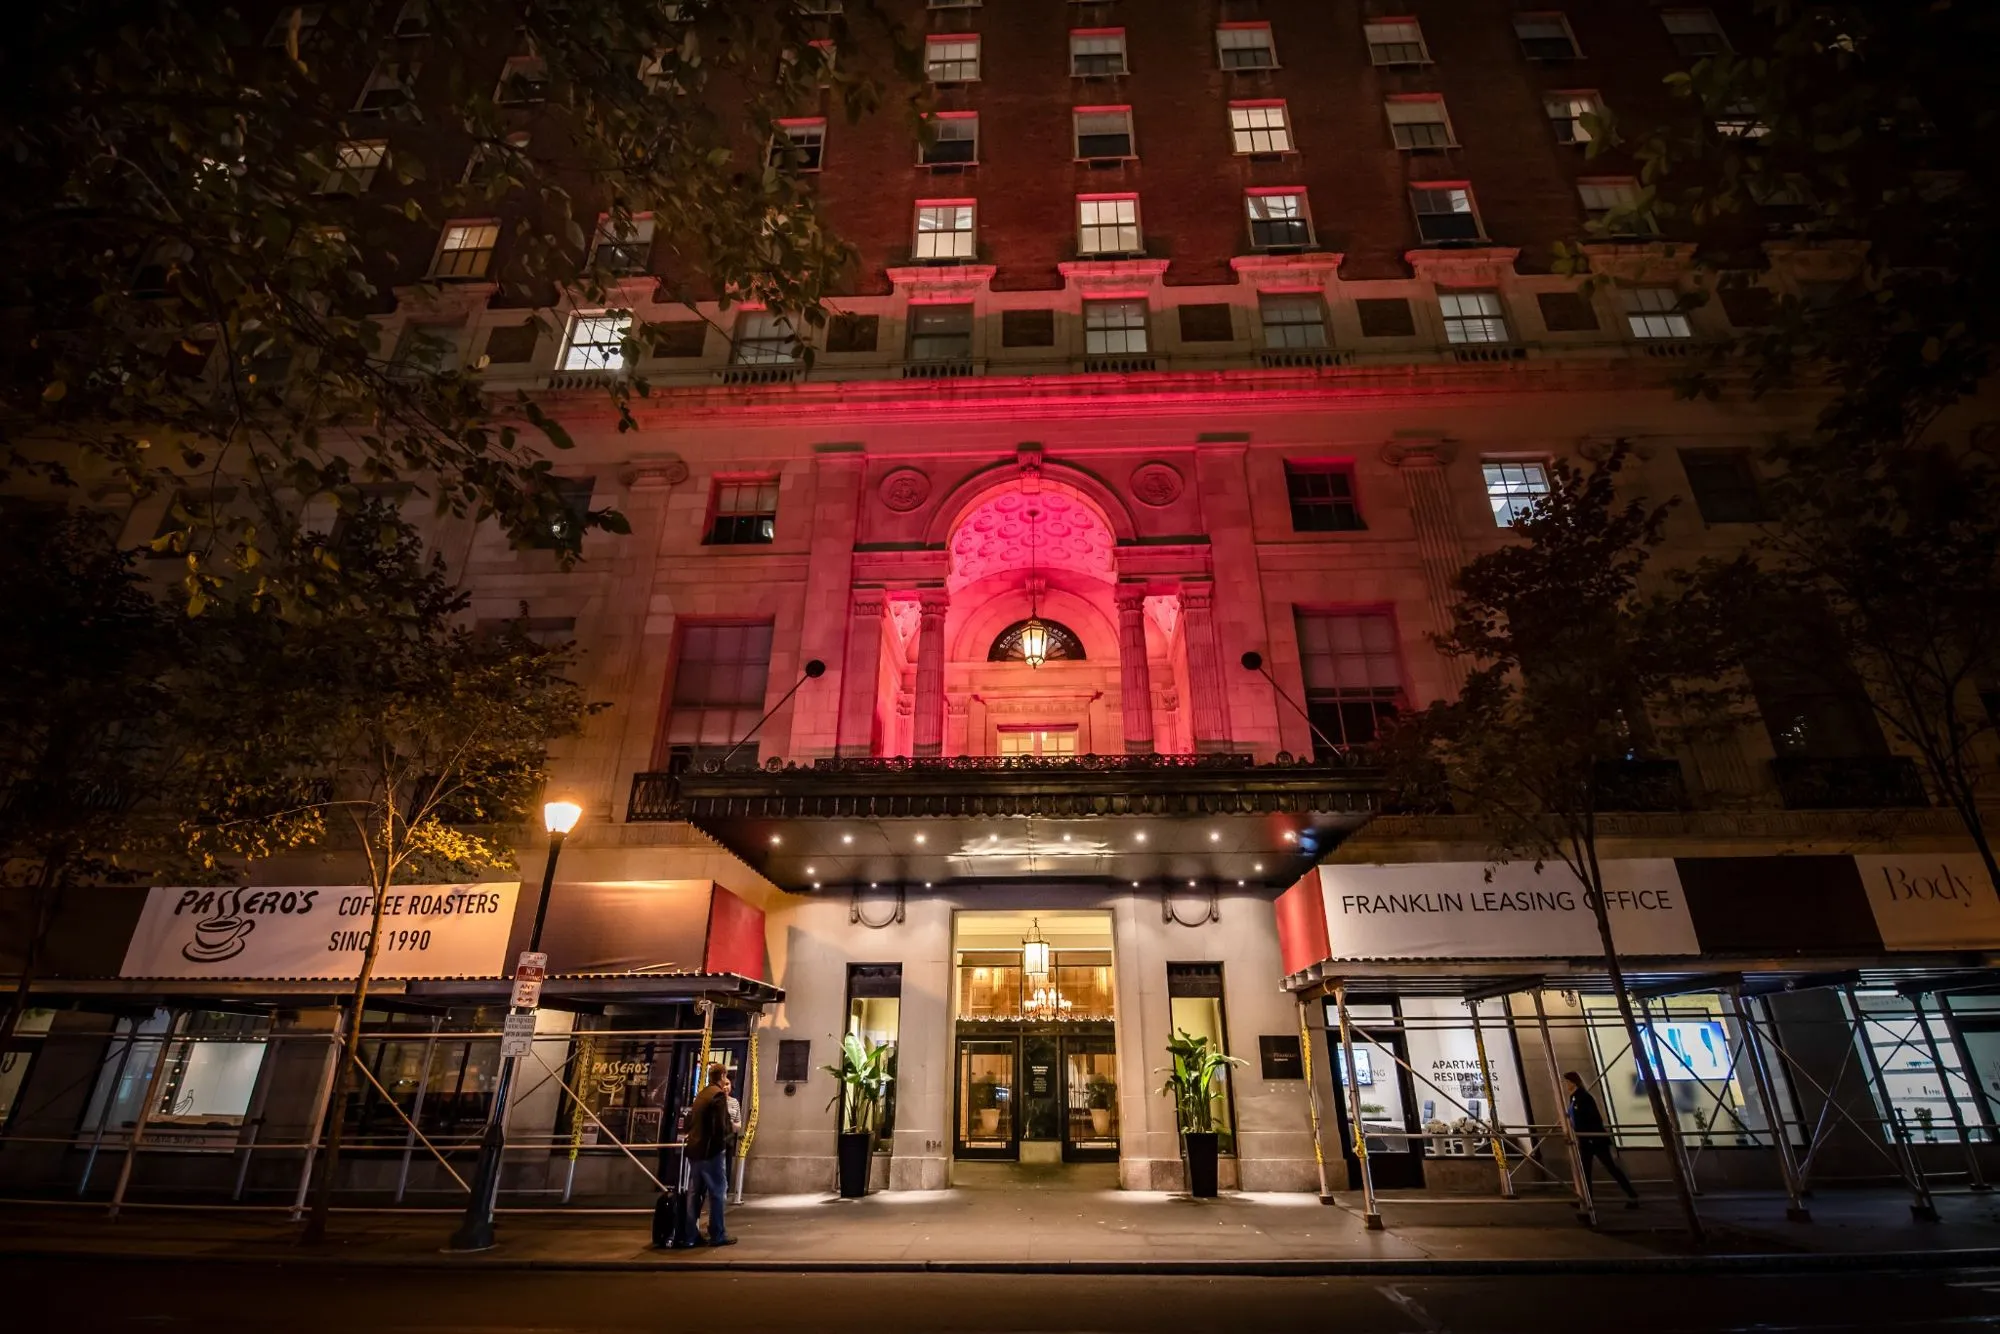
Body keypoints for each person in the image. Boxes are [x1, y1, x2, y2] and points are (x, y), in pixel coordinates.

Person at [1564, 1071, 1639, 1207]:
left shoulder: (1584, 1097)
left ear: (1573, 1082)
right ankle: (1586, 1199)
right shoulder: (1574, 1098)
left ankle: (1632, 1195)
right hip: (1585, 1139)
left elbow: (1594, 1118)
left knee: (1610, 1167)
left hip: (1594, 1140)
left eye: (1567, 1082)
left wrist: (1591, 1136)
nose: (1566, 1085)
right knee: (1585, 1171)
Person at [682, 1063, 737, 1247]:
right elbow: (720, 1126)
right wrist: (726, 1144)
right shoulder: (718, 1095)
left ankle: (690, 1236)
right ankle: (718, 1234)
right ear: (722, 1076)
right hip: (710, 1151)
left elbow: (690, 1122)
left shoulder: (702, 1094)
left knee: (694, 1194)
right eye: (725, 1076)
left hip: (694, 1150)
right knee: (718, 1192)